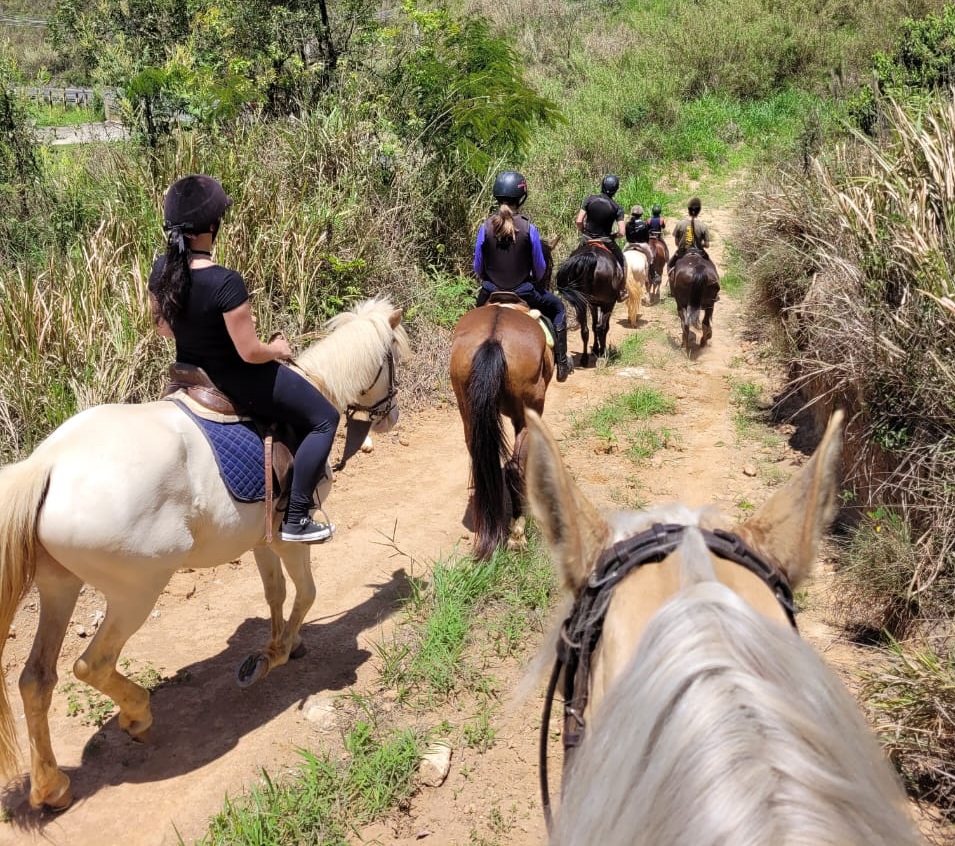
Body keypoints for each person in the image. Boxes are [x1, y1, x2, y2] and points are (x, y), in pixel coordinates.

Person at [149, 174, 340, 544]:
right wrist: (278, 350)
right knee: (325, 419)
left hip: (190, 375)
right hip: (236, 379)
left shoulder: (161, 270)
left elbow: (163, 330)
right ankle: (297, 518)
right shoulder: (225, 282)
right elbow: (250, 352)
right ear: (212, 227)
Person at [473, 170, 573, 382]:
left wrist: (489, 280)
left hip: (490, 291)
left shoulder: (485, 227)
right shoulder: (529, 229)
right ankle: (562, 363)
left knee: (472, 321)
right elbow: (539, 268)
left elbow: (478, 267)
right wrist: (533, 280)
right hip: (524, 292)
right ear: (522, 197)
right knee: (558, 308)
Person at [576, 174, 626, 270]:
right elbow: (622, 232)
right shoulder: (617, 208)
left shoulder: (589, 200)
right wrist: (613, 236)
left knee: (571, 259)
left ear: (602, 185)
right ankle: (622, 282)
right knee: (621, 261)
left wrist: (584, 232)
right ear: (615, 190)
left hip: (587, 238)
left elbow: (578, 221)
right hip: (605, 240)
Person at [668, 196, 711, 273]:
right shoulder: (703, 226)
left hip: (682, 252)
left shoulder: (680, 224)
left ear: (688, 210)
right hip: (699, 252)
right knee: (711, 266)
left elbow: (676, 243)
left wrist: (684, 244)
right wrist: (700, 244)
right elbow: (707, 245)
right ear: (699, 211)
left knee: (670, 265)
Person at [624, 204, 655, 272]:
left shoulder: (628, 224)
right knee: (651, 258)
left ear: (632, 213)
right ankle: (653, 274)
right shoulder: (644, 224)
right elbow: (646, 238)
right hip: (642, 245)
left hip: (629, 244)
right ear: (641, 214)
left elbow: (627, 236)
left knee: (621, 258)